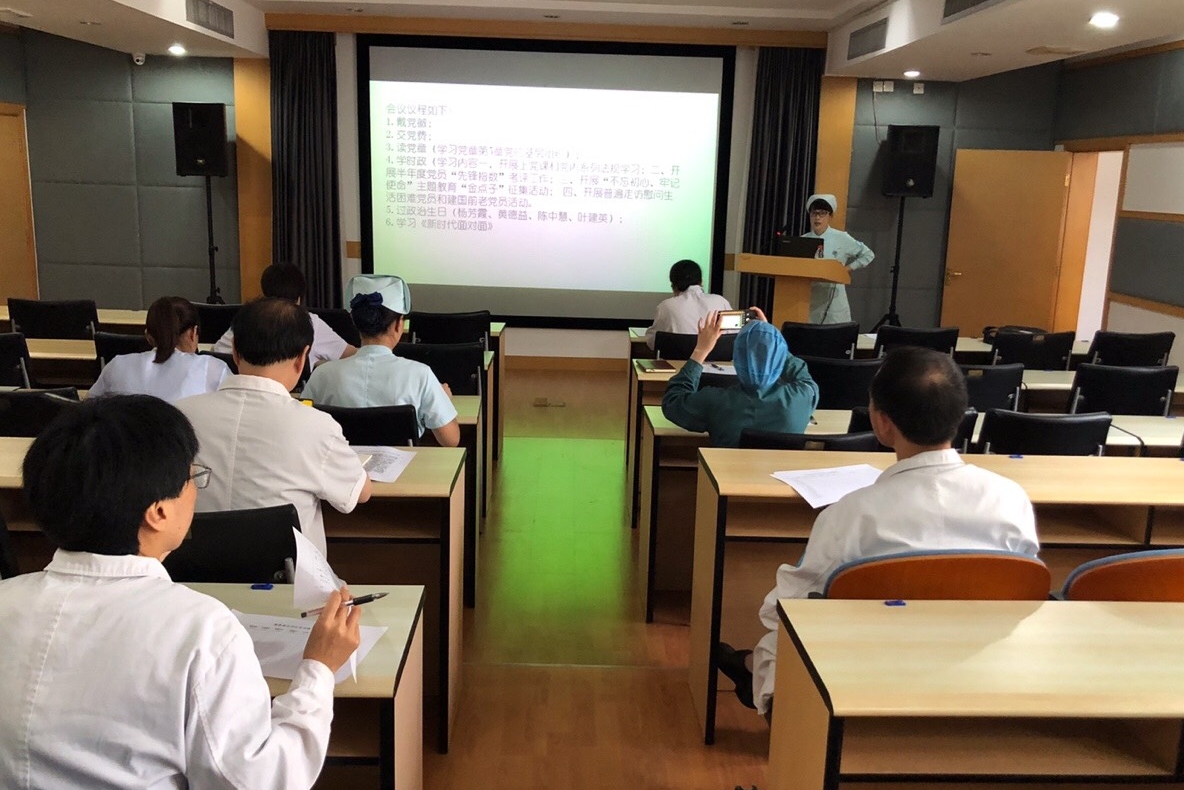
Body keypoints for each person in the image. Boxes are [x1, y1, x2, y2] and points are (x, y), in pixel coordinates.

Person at [0, 394, 361, 788]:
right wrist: (319, 669)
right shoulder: (202, 632)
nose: (195, 490)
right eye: (191, 478)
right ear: (158, 513)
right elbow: (261, 781)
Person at [717, 347, 1039, 717]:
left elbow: (783, 609)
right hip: (981, 670)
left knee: (779, 642)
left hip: (864, 680)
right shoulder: (1011, 499)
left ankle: (751, 675)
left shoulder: (852, 514)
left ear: (882, 423)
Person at [176, 297, 372, 555]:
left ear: (234, 350)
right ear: (302, 358)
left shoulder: (178, 417)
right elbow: (360, 493)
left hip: (197, 575)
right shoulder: (316, 426)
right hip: (290, 577)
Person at [303, 275, 460, 447]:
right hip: (405, 465)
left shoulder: (322, 375)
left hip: (340, 464)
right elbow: (451, 440)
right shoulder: (420, 375)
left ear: (354, 321)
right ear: (399, 325)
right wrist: (444, 401)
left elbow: (304, 427)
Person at [661, 307, 818, 448]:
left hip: (724, 472)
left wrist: (701, 350)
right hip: (778, 473)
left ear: (736, 358)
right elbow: (802, 376)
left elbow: (673, 403)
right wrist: (770, 339)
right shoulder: (803, 396)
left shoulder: (715, 402)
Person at [214, 263, 358, 368]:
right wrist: (319, 364)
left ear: (264, 294)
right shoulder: (311, 323)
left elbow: (218, 353)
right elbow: (351, 355)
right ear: (299, 299)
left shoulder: (247, 318)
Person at [89, 296, 229, 401]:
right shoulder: (214, 370)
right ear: (193, 333)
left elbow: (89, 408)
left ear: (148, 336)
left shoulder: (116, 366)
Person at [801, 193, 874, 325]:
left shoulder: (841, 238)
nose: (817, 217)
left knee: (835, 333)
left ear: (830, 216)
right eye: (814, 213)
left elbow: (868, 254)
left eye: (822, 213)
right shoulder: (803, 240)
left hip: (834, 299)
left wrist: (846, 269)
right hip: (810, 298)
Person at [644, 259, 732, 349]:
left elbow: (653, 341)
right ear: (701, 282)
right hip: (717, 358)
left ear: (673, 285)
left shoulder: (666, 306)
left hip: (676, 358)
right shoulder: (721, 302)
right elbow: (733, 337)